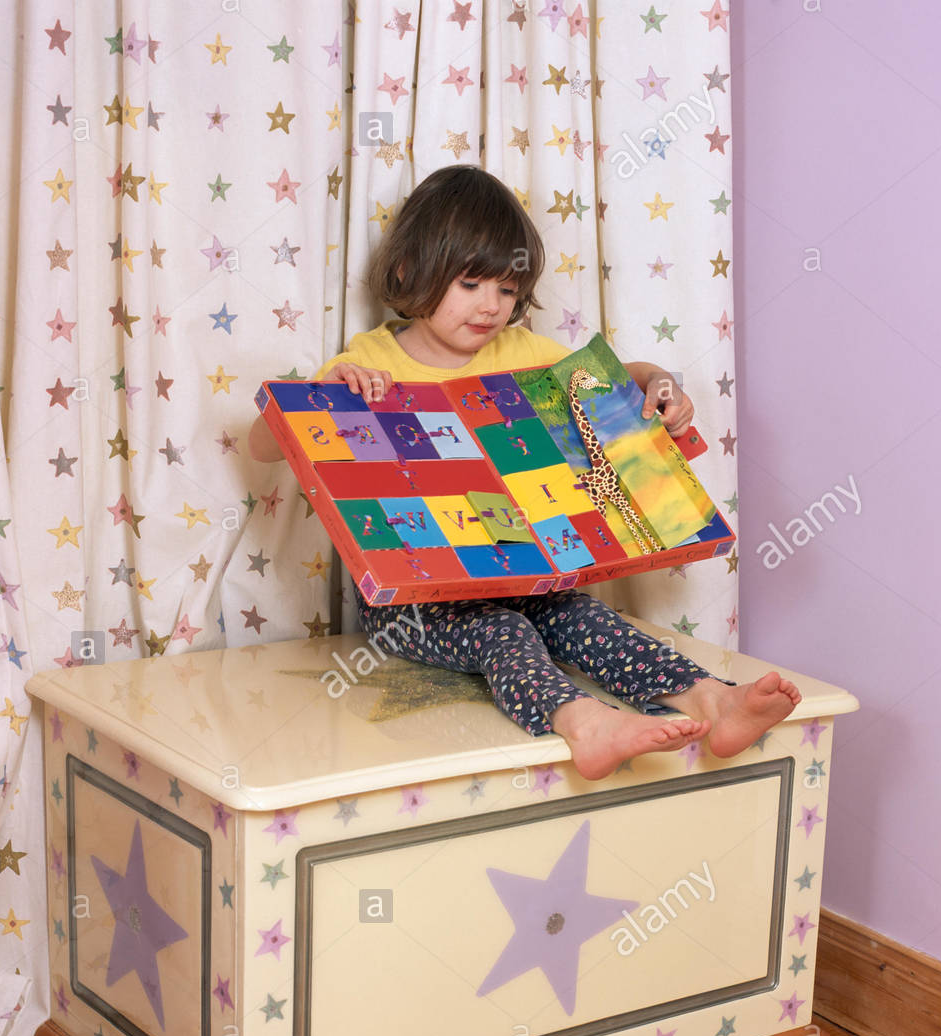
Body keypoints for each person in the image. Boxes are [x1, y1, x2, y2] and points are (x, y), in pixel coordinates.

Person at [250, 166, 801, 780]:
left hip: (528, 572)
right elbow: (263, 442)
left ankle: (711, 699)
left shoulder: (522, 353)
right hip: (417, 601)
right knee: (503, 631)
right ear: (408, 271)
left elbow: (615, 377)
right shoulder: (371, 360)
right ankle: (582, 723)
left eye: (508, 290)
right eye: (470, 283)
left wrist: (657, 385)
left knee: (587, 618)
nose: (492, 306)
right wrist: (325, 394)